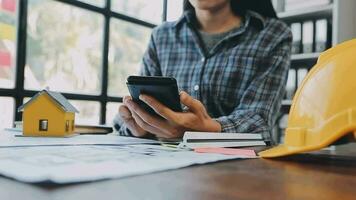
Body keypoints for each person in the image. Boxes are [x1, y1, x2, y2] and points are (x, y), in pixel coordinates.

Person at [114, 0, 292, 144]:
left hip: (240, 168)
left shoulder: (272, 35)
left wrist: (208, 128)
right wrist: (139, 125)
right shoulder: (161, 36)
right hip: (167, 164)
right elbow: (133, 111)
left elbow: (258, 119)